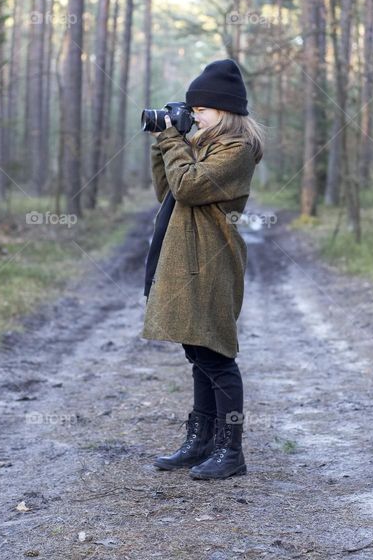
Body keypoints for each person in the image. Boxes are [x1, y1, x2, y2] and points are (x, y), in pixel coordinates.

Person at [141, 59, 265, 480]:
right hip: (185, 257)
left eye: (201, 110)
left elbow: (190, 187)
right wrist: (164, 143)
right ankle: (201, 442)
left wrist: (175, 139)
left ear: (224, 110)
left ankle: (231, 451)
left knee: (216, 356)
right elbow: (169, 191)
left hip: (211, 260)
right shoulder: (203, 144)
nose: (194, 116)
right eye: (191, 110)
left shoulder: (236, 150)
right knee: (198, 351)